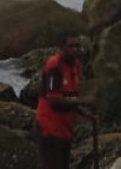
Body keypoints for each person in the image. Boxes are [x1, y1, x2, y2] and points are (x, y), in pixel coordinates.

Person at [34, 33, 96, 169]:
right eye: (71, 46)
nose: (75, 49)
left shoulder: (76, 67)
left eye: (77, 46)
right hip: (49, 128)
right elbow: (54, 101)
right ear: (62, 48)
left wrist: (86, 115)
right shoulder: (54, 66)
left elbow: (71, 98)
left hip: (65, 130)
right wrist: (84, 101)